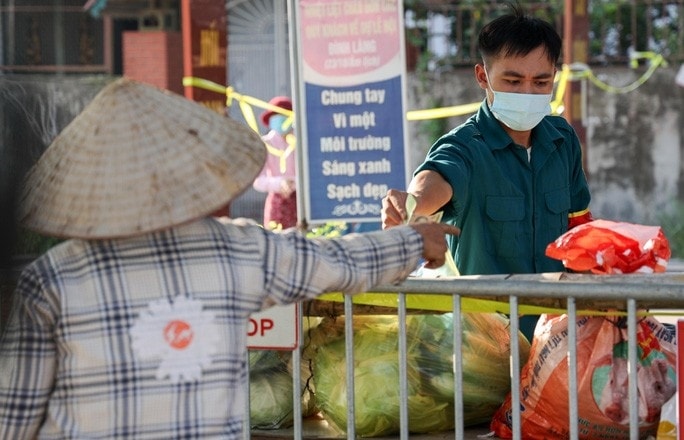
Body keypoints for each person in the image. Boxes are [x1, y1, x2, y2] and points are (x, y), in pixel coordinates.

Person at [0, 78, 458, 439]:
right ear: (188, 172)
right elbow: (337, 260)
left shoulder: (52, 277)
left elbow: (14, 414)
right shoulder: (235, 250)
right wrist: (416, 242)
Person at [381, 5, 593, 338]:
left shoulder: (562, 140)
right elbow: (436, 180)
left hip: (559, 340)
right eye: (513, 80)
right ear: (483, 76)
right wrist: (410, 203)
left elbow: (580, 224)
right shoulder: (465, 147)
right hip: (485, 348)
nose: (527, 92)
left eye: (541, 82)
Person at [253, 96, 298, 230]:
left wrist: (293, 183)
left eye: (284, 115)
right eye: (276, 115)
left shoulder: (301, 141)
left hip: (301, 201)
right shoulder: (265, 144)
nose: (280, 119)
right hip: (277, 204)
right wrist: (280, 183)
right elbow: (258, 181)